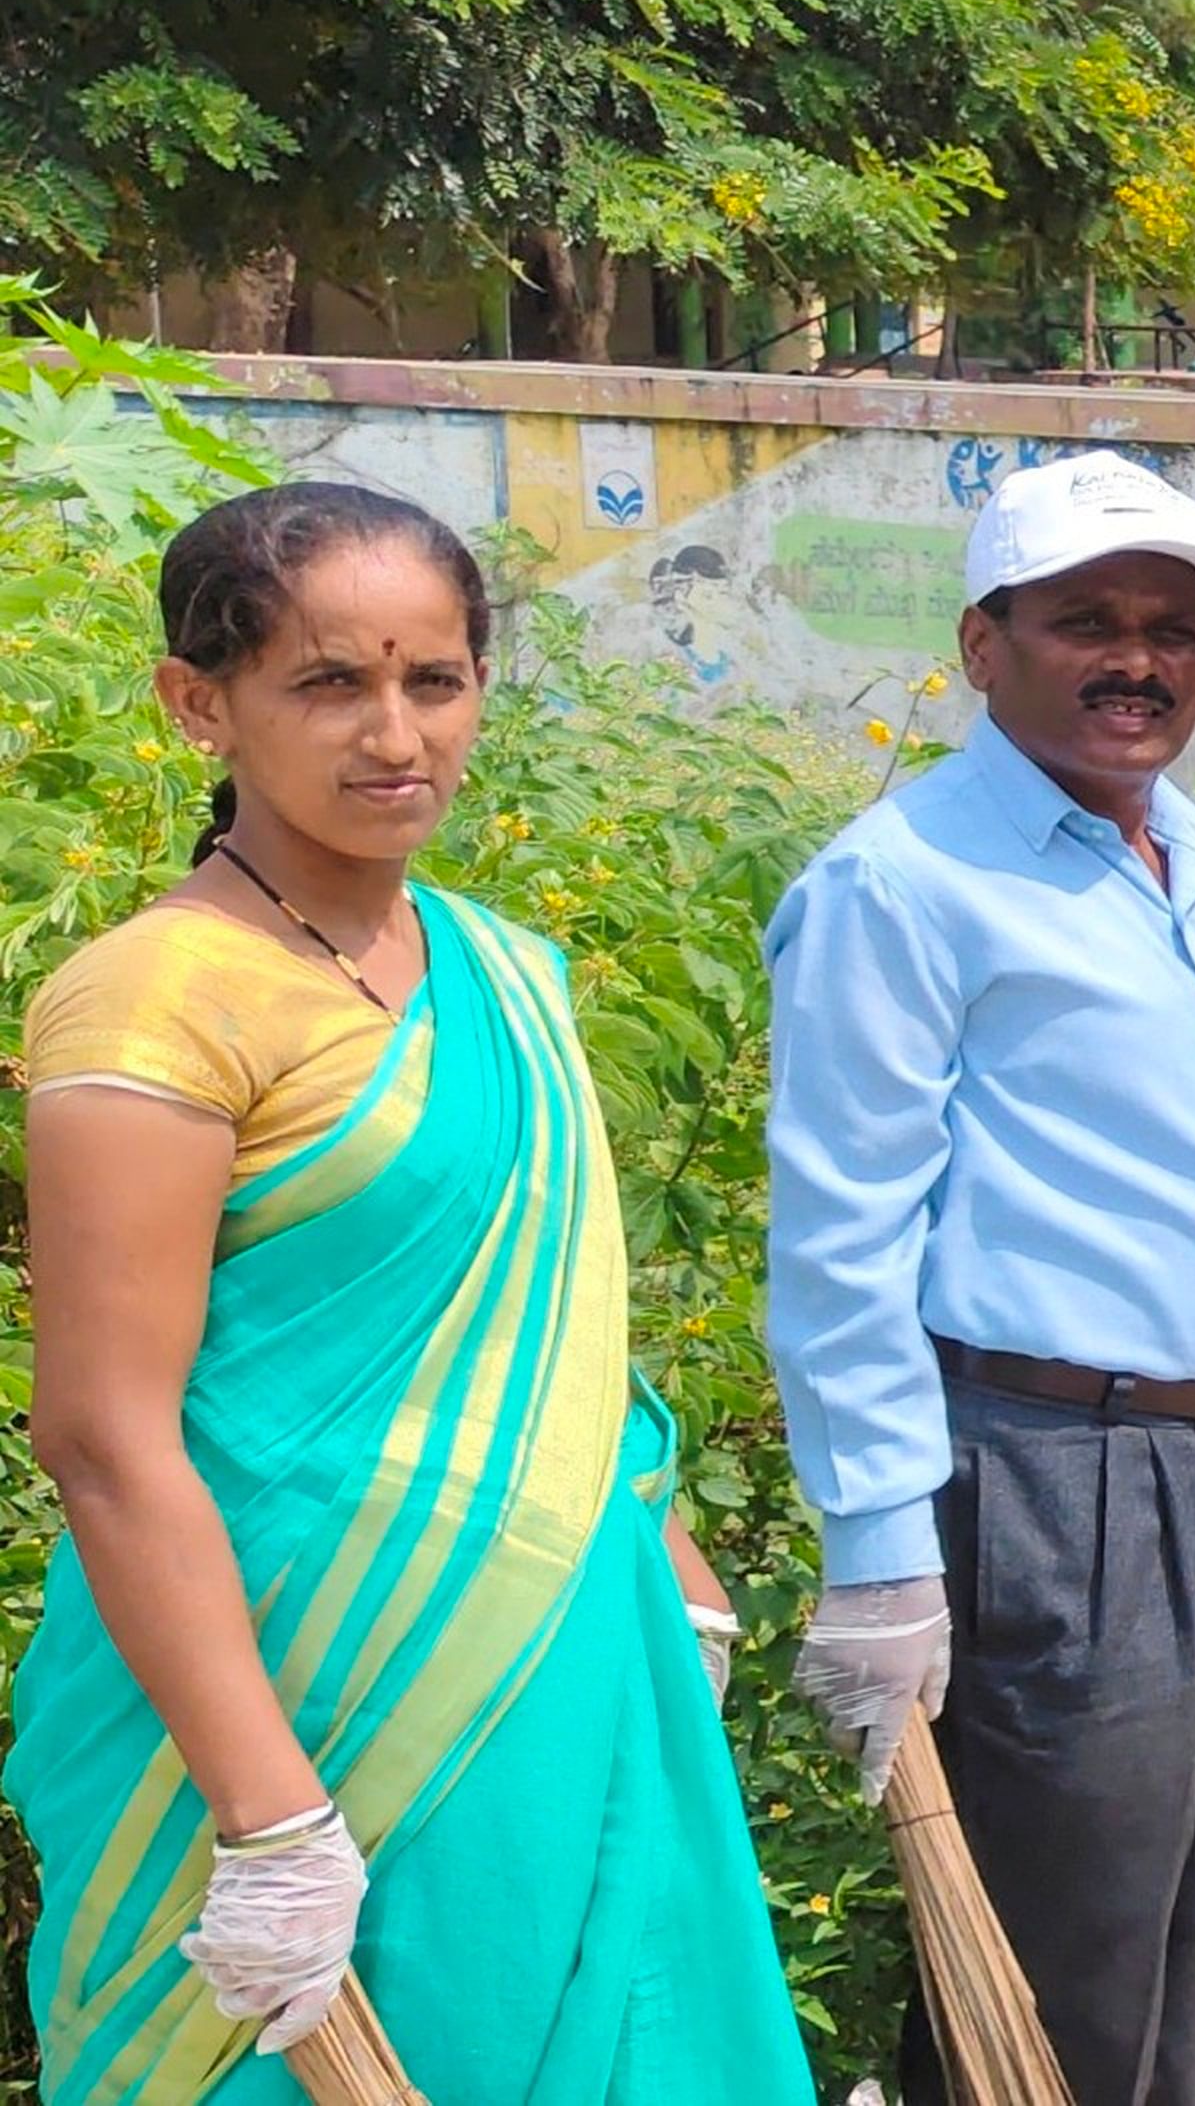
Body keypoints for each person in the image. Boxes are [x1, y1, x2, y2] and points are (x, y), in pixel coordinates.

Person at [11, 485, 809, 2098]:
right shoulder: (150, 1005)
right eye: (330, 684)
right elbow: (105, 1435)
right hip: (277, 1713)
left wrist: (658, 1537)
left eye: (433, 680)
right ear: (198, 704)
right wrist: (270, 1817)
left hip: (551, 1673)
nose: (396, 734)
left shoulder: (506, 969)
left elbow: (556, 1323)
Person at [762, 451, 1195, 2106]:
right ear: (982, 640)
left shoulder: (1194, 850)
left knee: (1194, 1937)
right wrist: (876, 1547)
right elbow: (838, 1238)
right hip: (1058, 1484)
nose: (1137, 660)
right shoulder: (903, 885)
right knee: (1048, 1975)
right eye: (1085, 618)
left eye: (1174, 626)